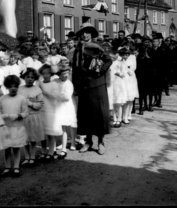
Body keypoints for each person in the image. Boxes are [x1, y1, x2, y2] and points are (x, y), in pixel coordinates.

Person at [72, 23, 113, 155]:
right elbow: (75, 69)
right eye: (83, 32)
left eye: (88, 32)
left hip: (97, 85)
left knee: (99, 114)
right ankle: (88, 142)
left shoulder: (98, 47)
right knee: (86, 115)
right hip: (84, 86)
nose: (85, 35)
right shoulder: (77, 49)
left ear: (92, 34)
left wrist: (99, 71)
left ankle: (101, 142)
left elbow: (108, 61)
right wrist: (75, 85)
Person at [0, 75, 29, 178]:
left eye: (15, 86)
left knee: (16, 148)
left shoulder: (21, 98)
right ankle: (8, 167)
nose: (13, 88)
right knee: (7, 148)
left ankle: (16, 167)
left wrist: (17, 115)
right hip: (6, 127)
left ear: (18, 87)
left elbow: (25, 113)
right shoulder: (3, 98)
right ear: (7, 87)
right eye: (10, 86)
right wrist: (2, 116)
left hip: (17, 127)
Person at [18, 68, 46, 166]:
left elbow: (40, 104)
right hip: (23, 117)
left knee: (32, 138)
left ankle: (32, 157)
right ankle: (27, 157)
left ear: (35, 79)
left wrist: (30, 103)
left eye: (32, 77)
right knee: (25, 139)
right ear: (24, 78)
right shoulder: (20, 89)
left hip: (33, 117)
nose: (30, 79)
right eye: (27, 77)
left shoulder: (37, 90)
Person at [38, 64, 62, 161]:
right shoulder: (39, 83)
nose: (46, 75)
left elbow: (55, 97)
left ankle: (51, 152)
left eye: (48, 73)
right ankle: (44, 151)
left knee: (50, 133)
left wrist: (44, 91)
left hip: (51, 111)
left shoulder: (54, 84)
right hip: (41, 110)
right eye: (44, 73)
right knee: (42, 133)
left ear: (51, 74)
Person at [54, 63, 78, 157]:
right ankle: (60, 143)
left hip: (68, 105)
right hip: (58, 105)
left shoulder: (69, 83)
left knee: (70, 122)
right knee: (58, 124)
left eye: (67, 73)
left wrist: (56, 95)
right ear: (59, 74)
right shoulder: (55, 81)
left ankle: (72, 142)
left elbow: (67, 97)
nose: (65, 76)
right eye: (63, 74)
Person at [123, 46, 139, 120]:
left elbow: (133, 68)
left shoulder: (132, 57)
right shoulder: (120, 58)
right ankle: (123, 114)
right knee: (124, 98)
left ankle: (129, 114)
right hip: (122, 79)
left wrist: (127, 69)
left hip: (130, 78)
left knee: (130, 97)